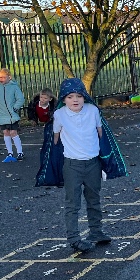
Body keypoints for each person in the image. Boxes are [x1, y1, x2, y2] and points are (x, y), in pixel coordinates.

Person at [53, 78, 111, 252]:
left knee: (94, 198)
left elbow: (100, 133)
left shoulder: (93, 110)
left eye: (79, 96)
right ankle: (74, 238)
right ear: (63, 99)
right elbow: (55, 138)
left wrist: (103, 157)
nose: (75, 100)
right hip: (72, 165)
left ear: (84, 97)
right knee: (73, 202)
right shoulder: (60, 114)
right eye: (70, 97)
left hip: (93, 163)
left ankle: (96, 231)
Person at [0, 68, 26, 162]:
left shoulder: (14, 87)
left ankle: (20, 152)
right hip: (1, 115)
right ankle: (10, 153)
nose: (1, 79)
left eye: (3, 77)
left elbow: (20, 99)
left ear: (9, 77)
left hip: (12, 115)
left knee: (13, 132)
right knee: (6, 132)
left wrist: (15, 108)